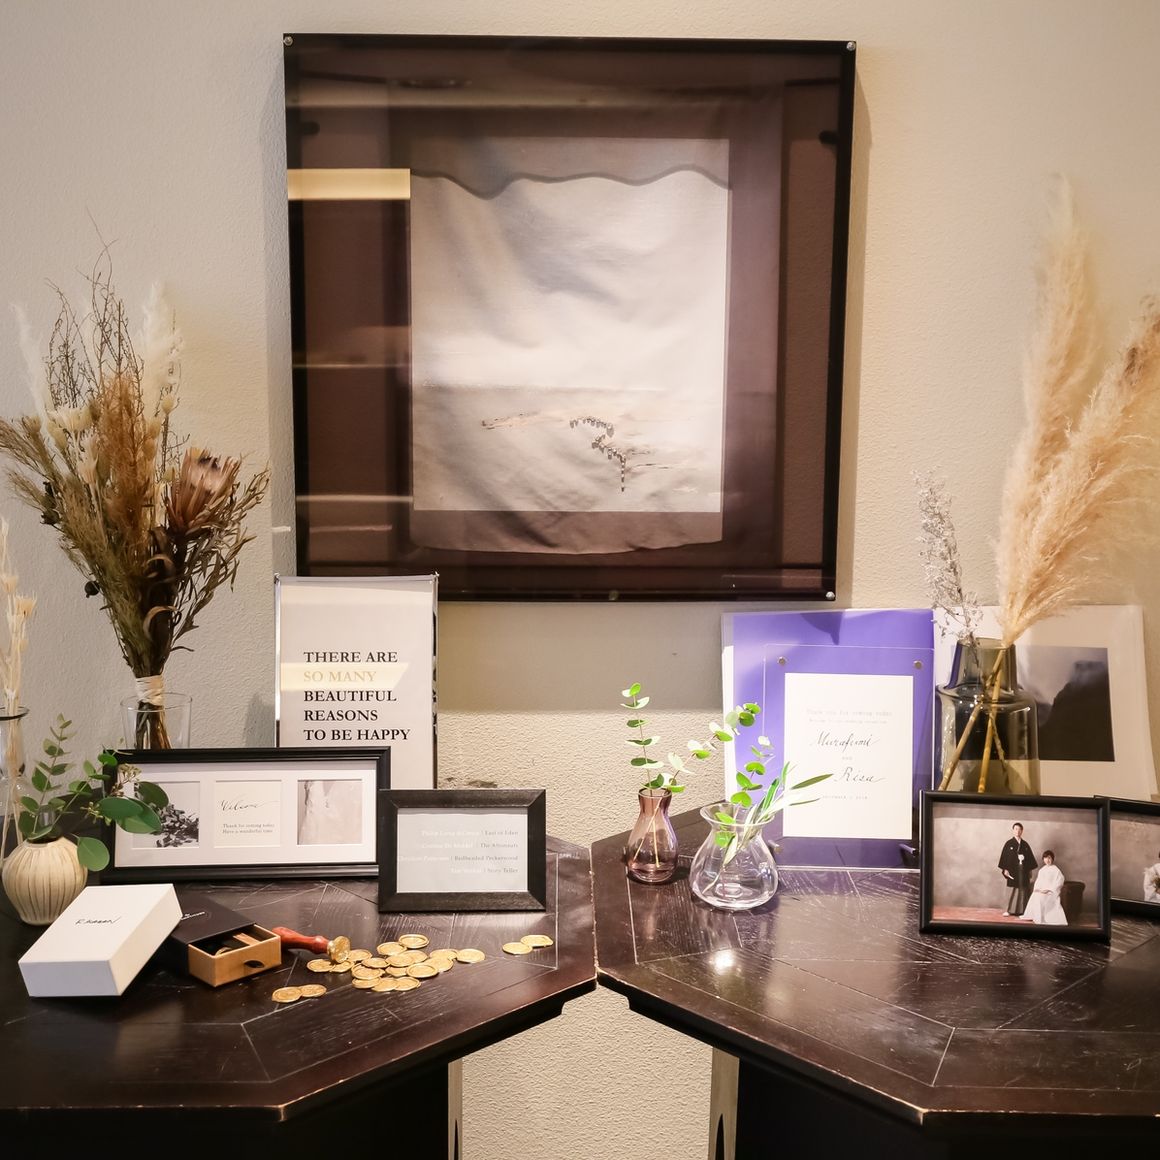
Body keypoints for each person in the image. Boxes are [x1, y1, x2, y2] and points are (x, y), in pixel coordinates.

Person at [998, 822, 1037, 916]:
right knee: (1012, 889)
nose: (1018, 831)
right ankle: (1008, 910)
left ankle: (1022, 910)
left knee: (1023, 889)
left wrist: (1029, 870)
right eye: (1016, 829)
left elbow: (1030, 858)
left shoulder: (1025, 844)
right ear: (1013, 830)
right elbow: (1004, 857)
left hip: (1023, 870)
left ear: (1022, 831)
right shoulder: (1008, 843)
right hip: (1012, 870)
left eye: (1019, 829)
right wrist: (1005, 869)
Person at [1021, 849, 1068, 924]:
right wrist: (1038, 889)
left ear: (1052, 859)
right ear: (1043, 859)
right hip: (1042, 891)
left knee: (1040, 898)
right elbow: (1038, 882)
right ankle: (1036, 916)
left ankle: (1043, 918)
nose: (1047, 860)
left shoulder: (1056, 870)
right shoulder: (1042, 870)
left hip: (1051, 892)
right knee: (1035, 895)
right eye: (1045, 858)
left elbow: (1059, 881)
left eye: (1049, 858)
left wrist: (1049, 890)